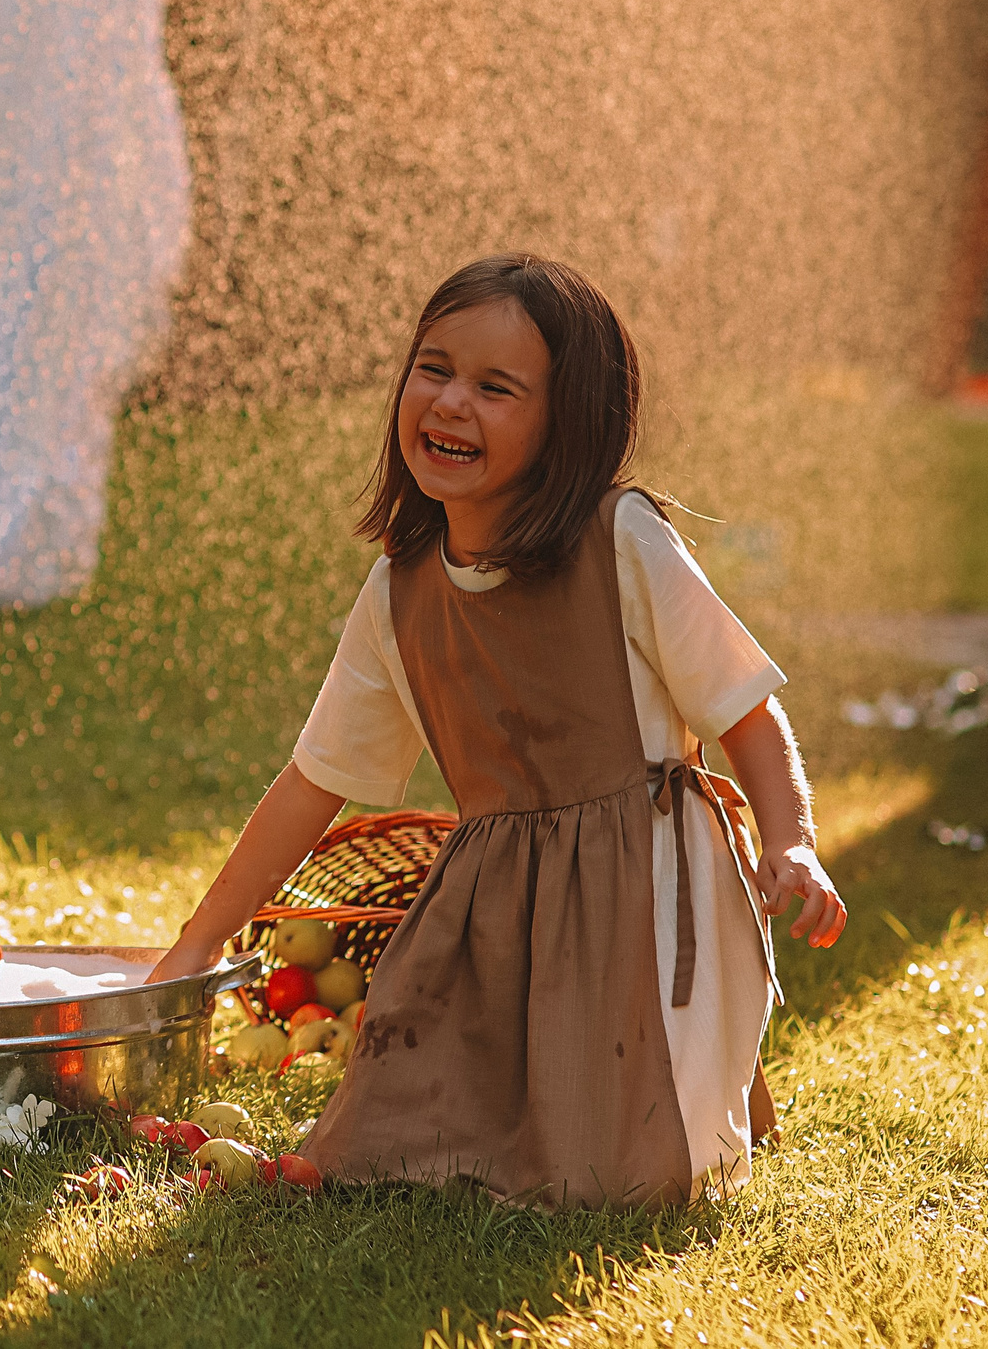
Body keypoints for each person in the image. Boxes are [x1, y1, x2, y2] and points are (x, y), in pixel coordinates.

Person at [154, 253, 847, 1206]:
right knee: (376, 1149)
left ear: (568, 424)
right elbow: (314, 781)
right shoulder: (401, 591)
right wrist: (198, 943)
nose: (448, 403)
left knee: (619, 1178)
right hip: (489, 916)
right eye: (432, 367)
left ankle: (688, 1087)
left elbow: (746, 709)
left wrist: (794, 845)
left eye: (496, 387)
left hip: (639, 895)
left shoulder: (624, 542)